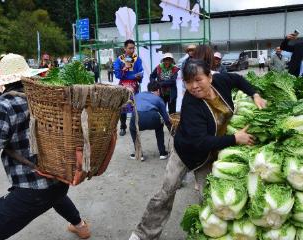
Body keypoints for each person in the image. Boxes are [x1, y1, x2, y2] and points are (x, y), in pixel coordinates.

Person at [128, 59, 267, 240]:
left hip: (209, 154)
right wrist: (234, 139)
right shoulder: (191, 104)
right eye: (188, 82)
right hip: (185, 152)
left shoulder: (220, 82)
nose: (194, 86)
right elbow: (199, 142)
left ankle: (206, 233)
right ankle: (142, 235)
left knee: (209, 198)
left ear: (209, 77)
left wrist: (254, 94)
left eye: (198, 80)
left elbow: (238, 80)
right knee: (166, 193)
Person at [0, 54, 90, 240]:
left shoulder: (2, 105)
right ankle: (81, 226)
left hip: (32, 189)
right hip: (59, 178)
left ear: (3, 82)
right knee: (53, 194)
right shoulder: (47, 99)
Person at [129, 82, 171, 161]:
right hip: (153, 118)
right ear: (158, 90)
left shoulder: (138, 95)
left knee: (132, 128)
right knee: (159, 126)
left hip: (138, 118)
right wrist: (170, 128)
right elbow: (165, 116)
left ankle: (139, 153)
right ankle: (162, 153)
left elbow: (133, 108)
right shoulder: (158, 98)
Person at [114, 39, 143, 136]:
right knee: (123, 107)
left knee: (135, 106)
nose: (132, 50)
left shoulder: (137, 59)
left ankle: (136, 125)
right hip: (123, 86)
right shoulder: (119, 60)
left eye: (133, 48)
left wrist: (140, 76)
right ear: (125, 48)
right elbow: (117, 74)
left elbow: (140, 71)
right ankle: (122, 126)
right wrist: (124, 69)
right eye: (130, 48)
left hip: (134, 85)